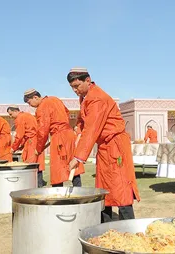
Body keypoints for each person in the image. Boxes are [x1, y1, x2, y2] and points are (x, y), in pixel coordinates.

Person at [66, 67, 140, 222]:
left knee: (120, 186)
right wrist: (78, 130)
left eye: (77, 86)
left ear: (88, 80)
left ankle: (129, 227)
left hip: (115, 145)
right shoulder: (86, 97)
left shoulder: (97, 98)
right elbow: (83, 121)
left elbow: (92, 128)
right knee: (104, 186)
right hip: (105, 147)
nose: (75, 90)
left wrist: (79, 157)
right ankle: (105, 225)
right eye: (72, 87)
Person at [23, 89, 84, 187]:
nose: (30, 105)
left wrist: (38, 148)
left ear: (35, 97)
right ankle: (78, 189)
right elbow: (66, 112)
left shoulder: (42, 107)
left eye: (29, 102)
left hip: (59, 136)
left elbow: (42, 131)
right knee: (73, 163)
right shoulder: (55, 99)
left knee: (57, 167)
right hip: (69, 134)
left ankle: (58, 192)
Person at [7, 105, 46, 187]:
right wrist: (21, 146)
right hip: (36, 140)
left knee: (30, 163)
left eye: (11, 114)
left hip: (31, 141)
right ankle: (39, 183)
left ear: (15, 111)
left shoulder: (19, 118)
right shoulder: (28, 115)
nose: (11, 117)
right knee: (37, 162)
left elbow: (20, 135)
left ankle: (32, 184)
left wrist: (14, 147)